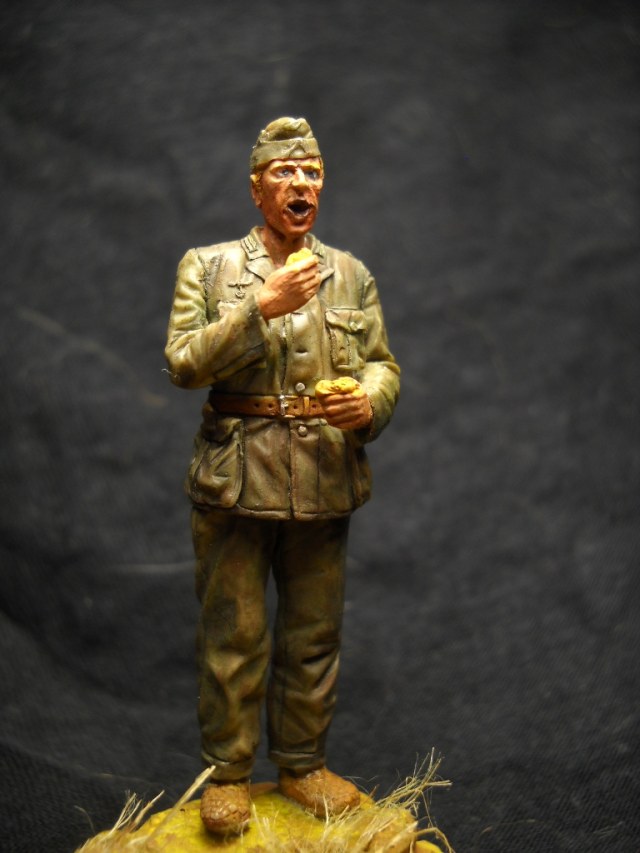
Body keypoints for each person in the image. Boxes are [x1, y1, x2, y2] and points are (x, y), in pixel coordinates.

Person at [165, 117, 400, 835]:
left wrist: (367, 403)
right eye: (285, 174)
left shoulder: (351, 274)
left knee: (312, 634)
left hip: (323, 475)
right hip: (236, 480)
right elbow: (183, 362)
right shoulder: (209, 268)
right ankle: (228, 773)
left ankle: (301, 763)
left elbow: (382, 364)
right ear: (256, 188)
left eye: (312, 173)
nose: (302, 186)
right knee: (232, 635)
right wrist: (258, 309)